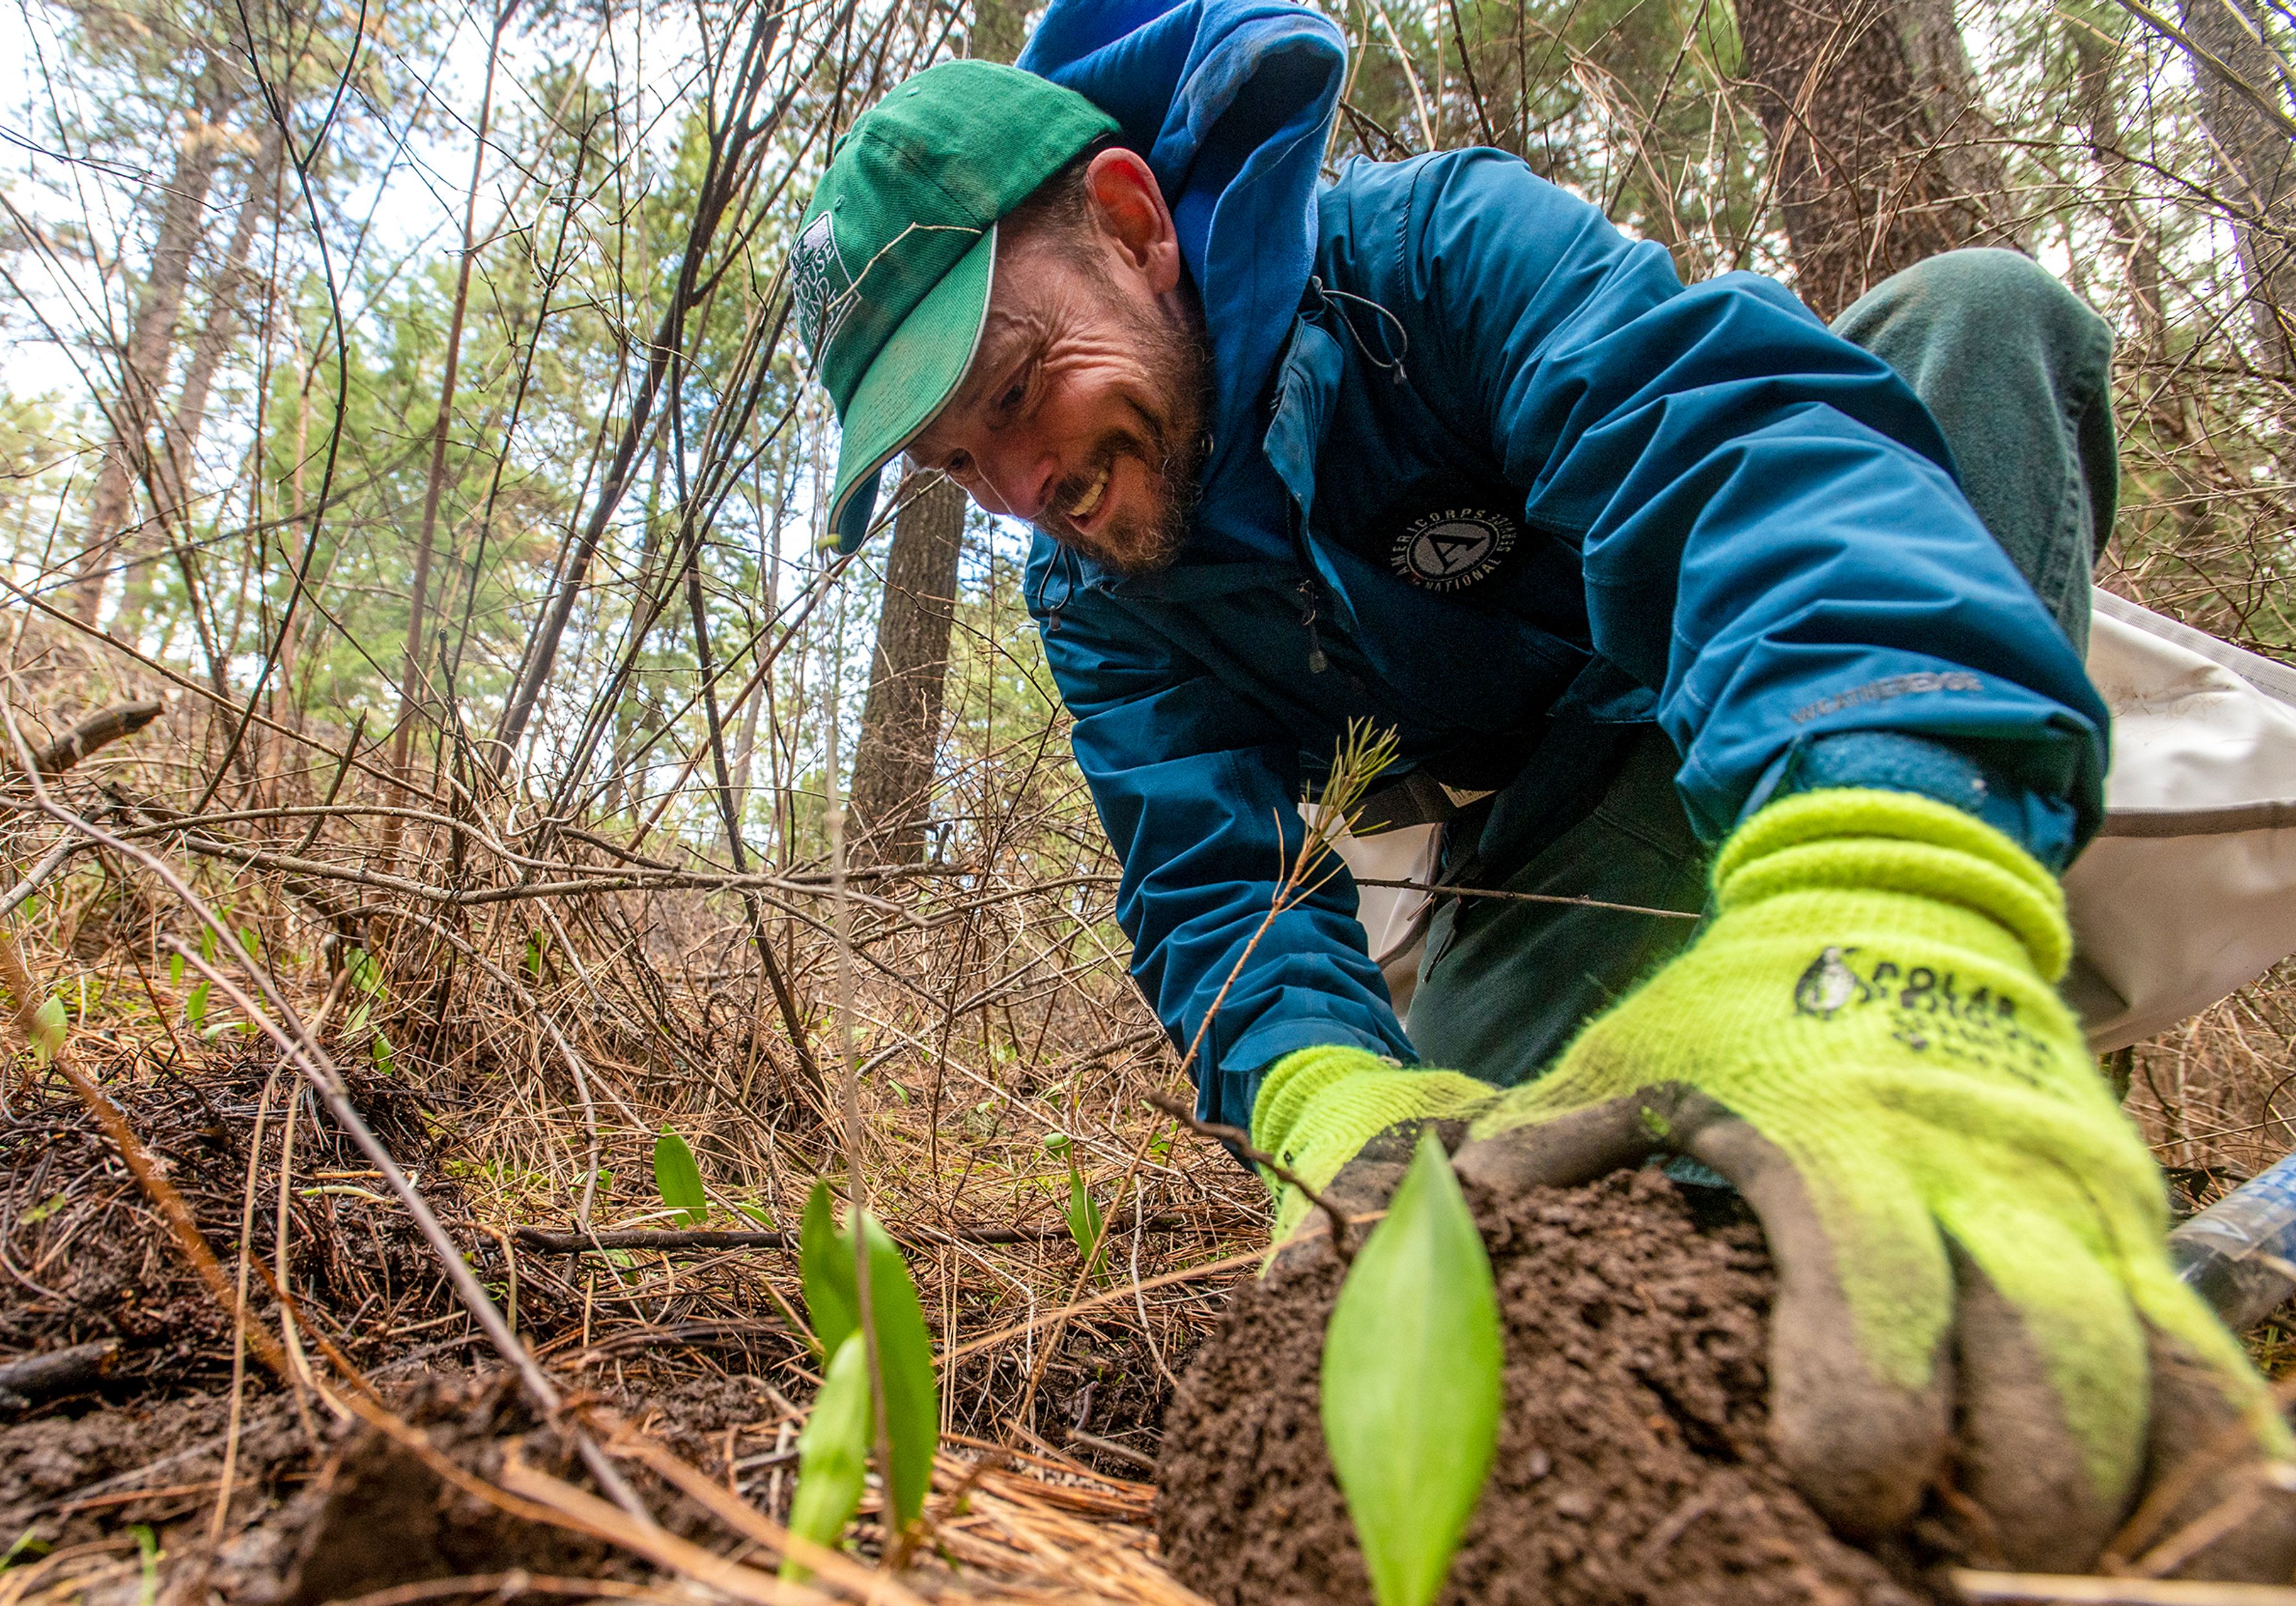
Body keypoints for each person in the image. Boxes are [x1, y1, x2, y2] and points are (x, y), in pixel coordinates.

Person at [787, 0, 2295, 1575]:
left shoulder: (1433, 255)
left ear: (1130, 223)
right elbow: (1211, 887)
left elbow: (1723, 452)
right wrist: (1329, 1093)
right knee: (1482, 1235)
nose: (1031, 488)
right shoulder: (1094, 597)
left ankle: (1929, 1024)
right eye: (962, 464)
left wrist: (1876, 885)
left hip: (1814, 703)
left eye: (1018, 389)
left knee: (1975, 320)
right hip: (1547, 857)